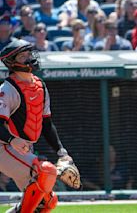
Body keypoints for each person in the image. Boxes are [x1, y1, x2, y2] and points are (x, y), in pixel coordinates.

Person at [0, 39, 77, 212]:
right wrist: (12, 140)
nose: (29, 57)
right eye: (23, 55)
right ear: (12, 62)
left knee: (46, 202)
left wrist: (62, 152)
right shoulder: (7, 89)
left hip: (22, 148)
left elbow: (47, 124)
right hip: (4, 146)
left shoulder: (40, 85)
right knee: (46, 171)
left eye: (29, 53)